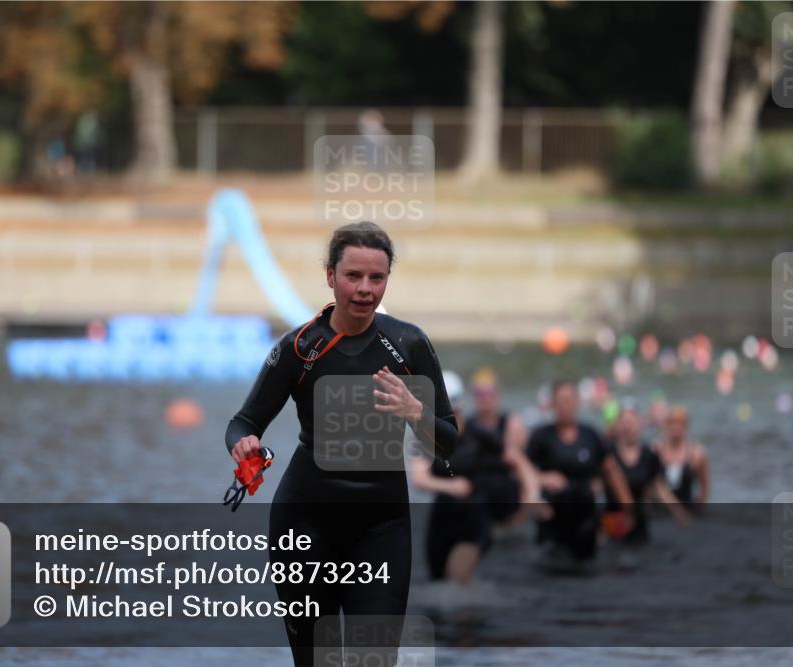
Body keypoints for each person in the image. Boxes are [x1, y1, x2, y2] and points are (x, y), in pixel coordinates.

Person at [225, 221, 457, 667]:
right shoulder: (300, 348)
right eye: (353, 276)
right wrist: (245, 443)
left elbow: (447, 445)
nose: (365, 289)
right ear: (330, 275)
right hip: (304, 525)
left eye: (377, 277)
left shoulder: (409, 345)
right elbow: (244, 421)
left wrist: (415, 413)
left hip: (382, 529)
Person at [410, 368, 540, 584]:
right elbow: (419, 479)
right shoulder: (426, 438)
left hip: (475, 518)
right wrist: (451, 487)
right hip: (442, 519)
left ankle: (471, 614)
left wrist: (529, 503)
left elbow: (520, 463)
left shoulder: (479, 435)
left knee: (457, 577)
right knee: (438, 584)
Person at [526, 379, 635, 565]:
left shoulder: (590, 435)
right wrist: (542, 478)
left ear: (577, 402)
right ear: (553, 404)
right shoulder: (541, 436)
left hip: (584, 513)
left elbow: (612, 471)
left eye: (569, 400)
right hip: (552, 514)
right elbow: (521, 472)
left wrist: (628, 508)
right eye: (560, 401)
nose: (565, 406)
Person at [603, 402, 691, 548]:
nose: (628, 426)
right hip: (613, 521)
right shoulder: (608, 454)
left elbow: (659, 487)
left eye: (631, 422)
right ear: (617, 425)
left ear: (639, 424)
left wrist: (680, 514)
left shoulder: (649, 455)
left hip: (639, 523)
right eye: (624, 422)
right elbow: (595, 485)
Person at [654, 405, 710, 509]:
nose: (676, 427)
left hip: (686, 508)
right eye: (672, 423)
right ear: (666, 426)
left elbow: (705, 486)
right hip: (660, 510)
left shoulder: (697, 453)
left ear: (687, 426)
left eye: (680, 423)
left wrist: (700, 507)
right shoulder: (656, 450)